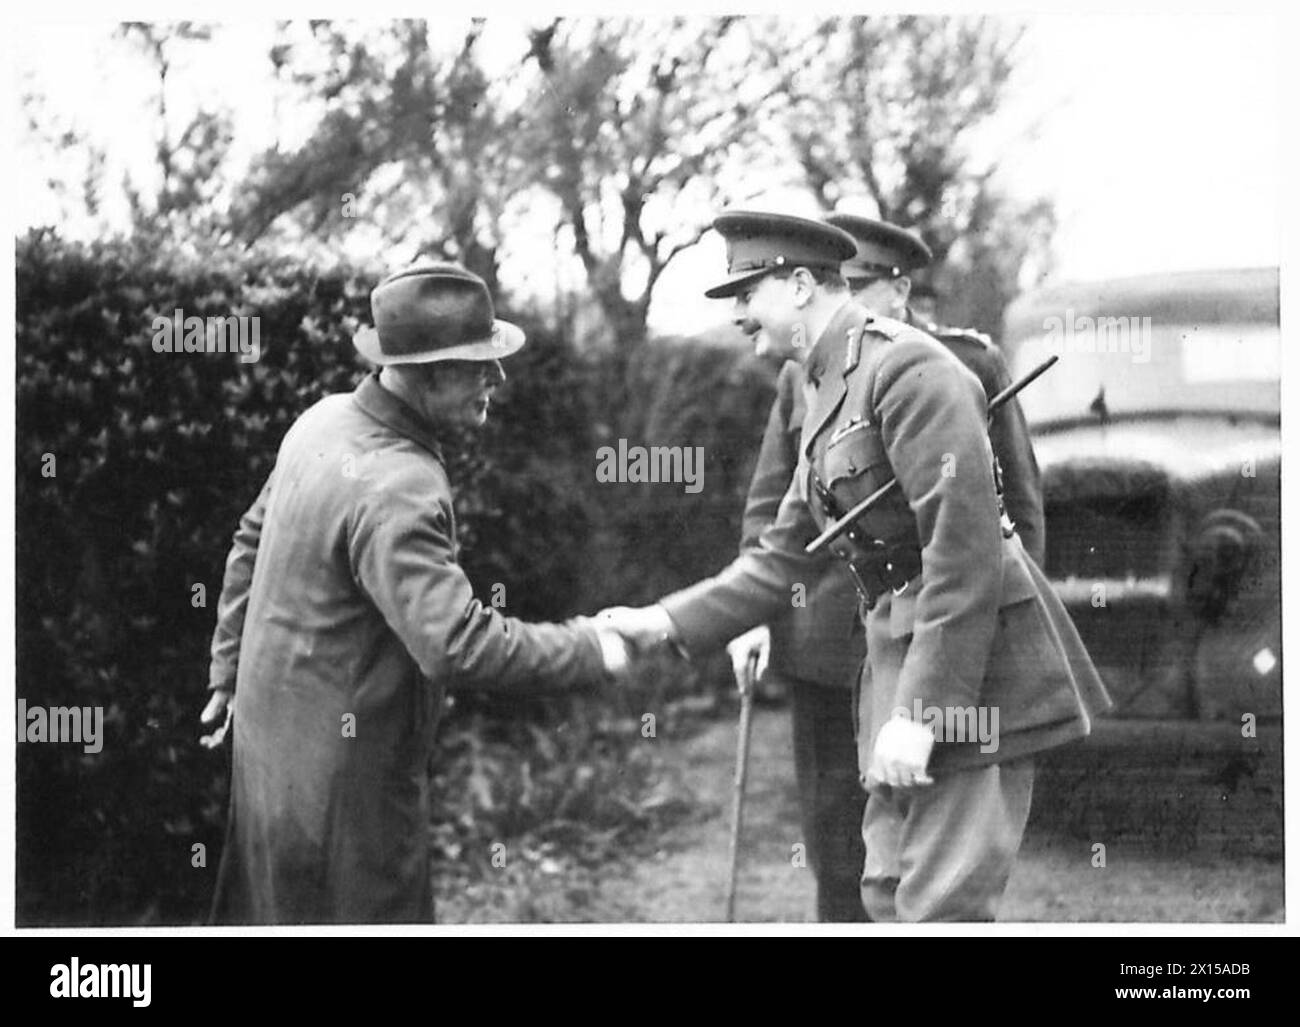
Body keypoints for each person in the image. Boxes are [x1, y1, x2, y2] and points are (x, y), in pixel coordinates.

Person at [602, 211, 1111, 922]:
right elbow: (782, 552)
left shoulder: (910, 369)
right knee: (884, 889)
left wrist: (925, 710)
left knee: (940, 904)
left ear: (801, 283)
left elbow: (964, 552)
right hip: (893, 655)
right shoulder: (822, 381)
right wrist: (660, 622)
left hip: (968, 670)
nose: (739, 315)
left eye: (747, 293)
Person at [202, 262, 629, 924]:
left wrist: (228, 673)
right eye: (479, 363)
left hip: (268, 771)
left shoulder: (321, 422)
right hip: (350, 800)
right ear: (426, 371)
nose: (499, 379)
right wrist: (591, 647)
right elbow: (457, 644)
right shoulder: (400, 482)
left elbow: (247, 543)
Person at [724, 213, 1045, 922]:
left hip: (935, 634)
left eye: (867, 284)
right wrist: (749, 615)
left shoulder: (951, 365)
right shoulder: (802, 375)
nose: (857, 301)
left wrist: (995, 646)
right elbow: (772, 506)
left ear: (899, 290)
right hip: (828, 638)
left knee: (938, 872)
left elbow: (1003, 518)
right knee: (848, 855)